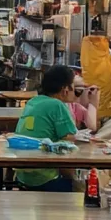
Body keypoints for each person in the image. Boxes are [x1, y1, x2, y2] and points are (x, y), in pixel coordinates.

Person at [13, 64, 80, 192]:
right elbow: (69, 146)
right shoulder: (57, 105)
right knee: (82, 190)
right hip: (45, 179)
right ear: (65, 89)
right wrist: (75, 181)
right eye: (74, 88)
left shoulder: (34, 101)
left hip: (23, 176)